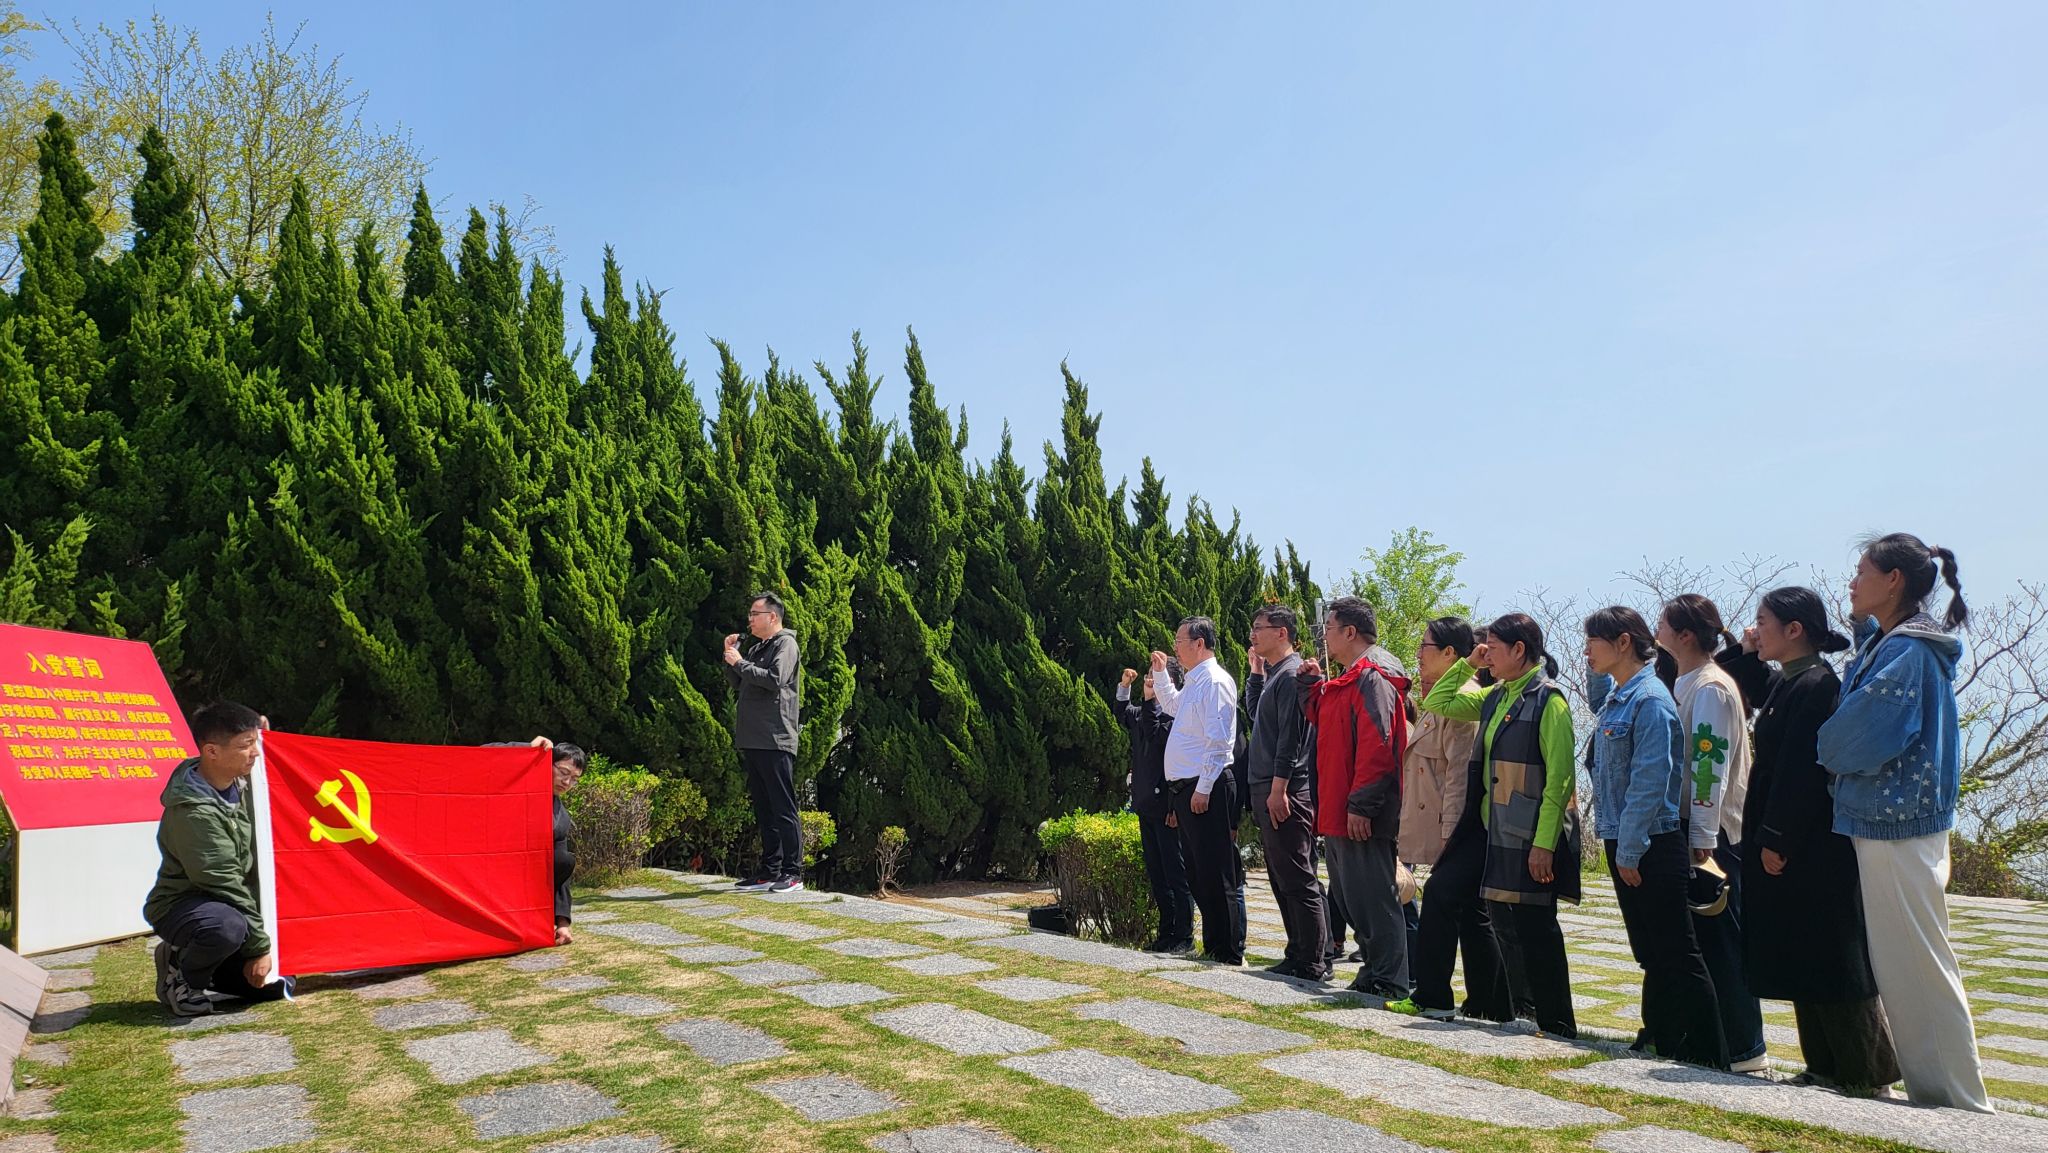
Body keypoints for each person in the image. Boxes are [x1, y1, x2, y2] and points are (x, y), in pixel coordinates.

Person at [1817, 534, 1990, 1112]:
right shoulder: (1896, 644)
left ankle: (1960, 1101)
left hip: (1899, 822)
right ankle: (1940, 1093)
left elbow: (1854, 736)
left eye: (1861, 571)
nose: (1852, 582)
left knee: (1917, 962)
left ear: (1893, 580)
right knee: (1906, 963)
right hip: (1893, 819)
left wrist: (1825, 748)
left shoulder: (1908, 653)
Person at [1721, 586, 1901, 1097]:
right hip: (1789, 836)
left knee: (1832, 954)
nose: (1756, 629)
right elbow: (1745, 681)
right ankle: (1823, 1066)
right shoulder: (1789, 682)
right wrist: (1745, 648)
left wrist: (1777, 837)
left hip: (1813, 843)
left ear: (1794, 629)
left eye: (1763, 621)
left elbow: (1801, 770)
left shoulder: (1818, 685)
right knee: (1803, 951)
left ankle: (1866, 1072)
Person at [1420, 612, 1581, 1038]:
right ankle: (1450, 999)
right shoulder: (1496, 695)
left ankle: (1557, 1023)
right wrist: (1469, 664)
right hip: (1487, 827)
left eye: (1493, 648)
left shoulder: (1550, 701)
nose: (1486, 654)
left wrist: (1544, 844)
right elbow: (1439, 701)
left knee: (1535, 926)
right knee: (1449, 893)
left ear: (1519, 650)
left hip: (1527, 832)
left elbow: (1560, 780)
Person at [1586, 606, 1728, 1069]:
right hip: (1624, 837)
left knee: (1677, 951)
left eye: (1594, 641)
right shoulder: (1621, 695)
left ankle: (1708, 1054)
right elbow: (1598, 699)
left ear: (1623, 642)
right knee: (1653, 953)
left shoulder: (1649, 700)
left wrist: (1630, 849)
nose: (1586, 651)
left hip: (1650, 841)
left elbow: (1650, 781)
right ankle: (1664, 1039)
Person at [1658, 594, 1767, 1072]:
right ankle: (1707, 1040)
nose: (1656, 631)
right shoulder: (1685, 682)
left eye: (1663, 624)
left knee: (1721, 941)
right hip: (1688, 826)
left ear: (1684, 635)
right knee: (1694, 941)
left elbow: (1709, 766)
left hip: (1713, 832)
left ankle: (1744, 1049)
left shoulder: (1712, 688)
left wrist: (1702, 836)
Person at [1387, 616, 1514, 1021]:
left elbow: (1460, 774)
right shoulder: (1449, 695)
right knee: (1472, 912)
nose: (1418, 656)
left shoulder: (1464, 700)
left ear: (1448, 653)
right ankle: (1489, 1002)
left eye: (1424, 647)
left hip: (1461, 825)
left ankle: (1434, 996)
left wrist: (1450, 833)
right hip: (1453, 824)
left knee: (1443, 899)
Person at [1298, 597, 1410, 1002]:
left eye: (1328, 628)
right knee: (1350, 896)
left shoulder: (1373, 677)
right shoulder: (1350, 677)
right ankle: (1374, 972)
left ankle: (1390, 979)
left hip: (1360, 811)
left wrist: (1362, 804)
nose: (1324, 636)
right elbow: (1326, 718)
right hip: (1339, 808)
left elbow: (1378, 745)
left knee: (1373, 897)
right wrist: (1309, 686)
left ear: (1349, 632)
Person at [146, 702, 287, 1017]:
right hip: (187, 905)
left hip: (230, 903)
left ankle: (211, 966)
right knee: (225, 927)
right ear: (211, 751)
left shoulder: (243, 780)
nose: (255, 753)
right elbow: (223, 883)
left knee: (276, 986)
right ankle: (183, 975)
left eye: (256, 743)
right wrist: (260, 948)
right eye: (246, 745)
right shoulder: (194, 813)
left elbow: (273, 775)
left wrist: (268, 740)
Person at [1152, 616, 1244, 966]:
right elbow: (1172, 706)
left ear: (1199, 643)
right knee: (1198, 871)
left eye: (1179, 641)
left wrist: (1203, 787)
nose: (1175, 647)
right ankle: (1215, 945)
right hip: (1187, 788)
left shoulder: (1216, 681)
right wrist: (1161, 674)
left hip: (1207, 785)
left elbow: (1219, 741)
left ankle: (1228, 950)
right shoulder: (1195, 680)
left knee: (1216, 871)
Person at [1244, 605, 1328, 980]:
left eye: (1259, 628)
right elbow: (1257, 717)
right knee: (1282, 877)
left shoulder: (1292, 674)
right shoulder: (1274, 673)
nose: (1252, 635)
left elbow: (1290, 740)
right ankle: (1297, 952)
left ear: (1282, 633)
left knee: (1298, 876)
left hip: (1286, 788)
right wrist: (1255, 673)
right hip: (1268, 785)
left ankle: (1314, 959)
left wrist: (1279, 789)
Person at [724, 592, 805, 894]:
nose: (750, 619)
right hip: (753, 738)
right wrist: (731, 657)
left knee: (783, 807)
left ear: (772, 617)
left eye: (754, 614)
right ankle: (770, 870)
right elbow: (739, 682)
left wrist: (741, 663)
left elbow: (774, 679)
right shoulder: (758, 647)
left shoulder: (786, 644)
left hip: (775, 737)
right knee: (764, 808)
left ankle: (792, 872)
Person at [1119, 661, 1194, 954]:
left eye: (1156, 677)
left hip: (1167, 807)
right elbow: (1124, 714)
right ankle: (1166, 933)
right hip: (1146, 806)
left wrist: (1175, 806)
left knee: (1176, 874)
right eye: (1149, 676)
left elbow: (1155, 734)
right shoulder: (1143, 712)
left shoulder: (1174, 718)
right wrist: (1125, 686)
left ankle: (1184, 935)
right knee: (1157, 874)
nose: (1150, 681)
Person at [488, 735, 585, 946]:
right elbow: (484, 754)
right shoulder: (516, 784)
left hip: (524, 882)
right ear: (548, 763)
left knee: (564, 859)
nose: (567, 782)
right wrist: (527, 750)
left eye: (574, 779)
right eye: (563, 772)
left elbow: (562, 872)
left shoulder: (561, 818)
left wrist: (563, 923)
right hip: (489, 865)